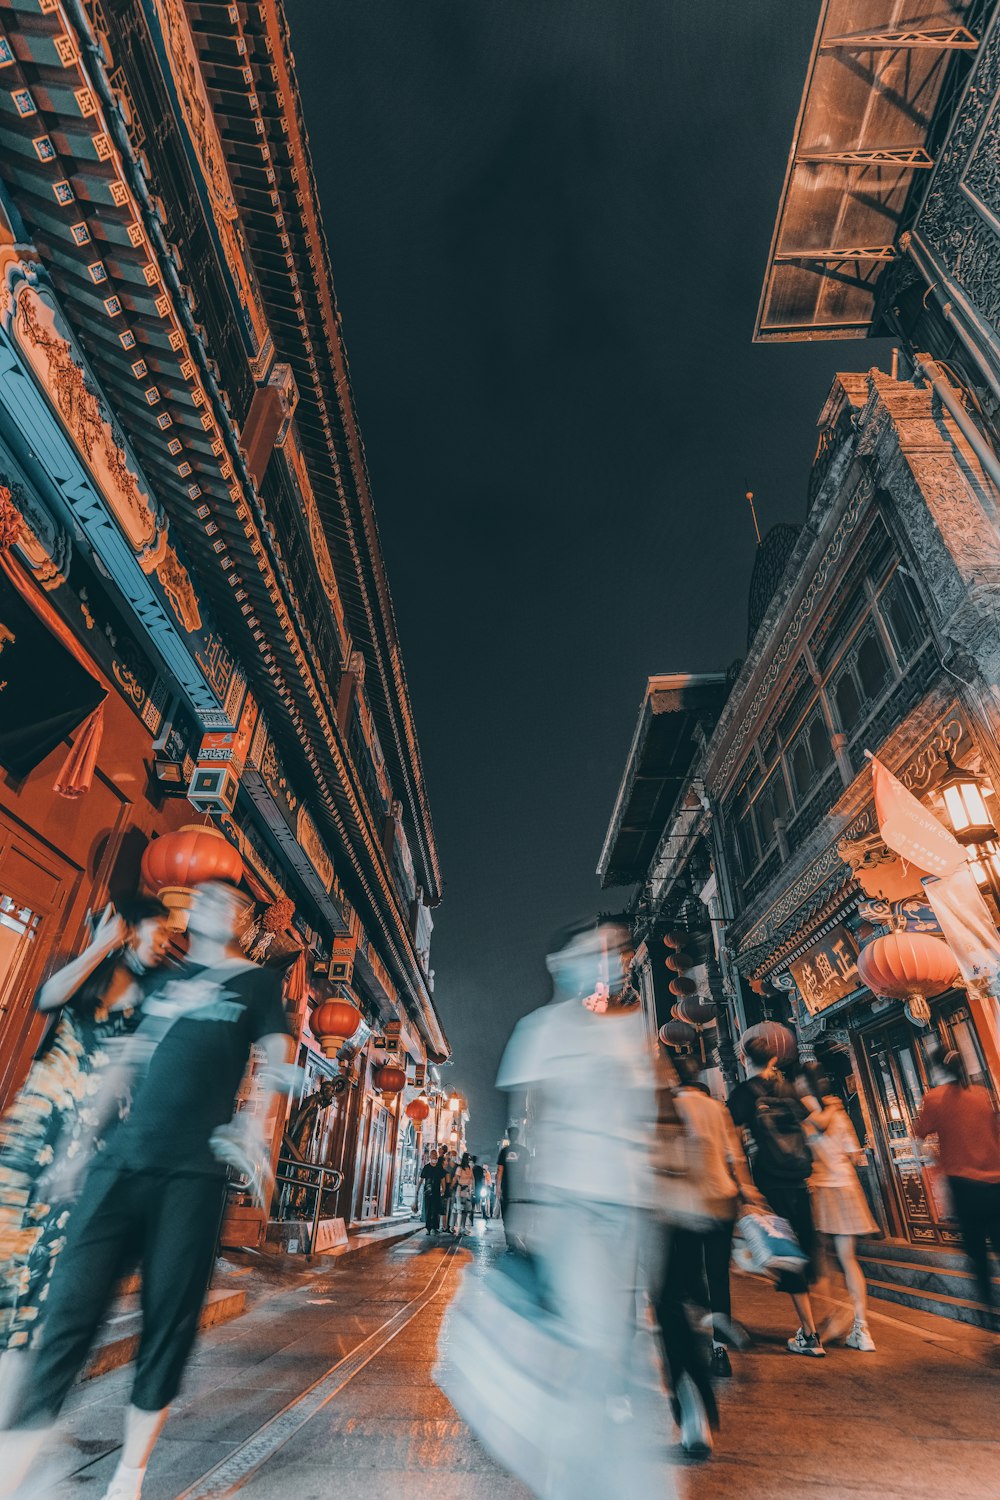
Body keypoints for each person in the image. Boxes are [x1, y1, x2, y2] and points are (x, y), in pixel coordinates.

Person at [0, 880, 298, 1500]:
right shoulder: (161, 979)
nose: (214, 906)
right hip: (119, 1166)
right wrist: (82, 1150)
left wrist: (254, 1121)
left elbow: (274, 1055)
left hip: (192, 1176)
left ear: (244, 922)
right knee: (68, 1314)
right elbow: (123, 1065)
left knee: (168, 1321)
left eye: (231, 902)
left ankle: (128, 1478)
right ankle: (11, 1471)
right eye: (206, 898)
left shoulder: (256, 984)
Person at [0, 896, 170, 1418]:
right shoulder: (91, 976)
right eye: (157, 933)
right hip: (36, 1128)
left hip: (84, 1143)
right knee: (9, 1251)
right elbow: (47, 996)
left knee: (45, 1270)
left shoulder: (150, 1000)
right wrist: (99, 946)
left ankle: (13, 1399)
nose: (163, 944)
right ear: (129, 931)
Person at [657, 1052, 765, 1388]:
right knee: (719, 1275)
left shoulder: (671, 1107)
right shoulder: (718, 1109)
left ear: (675, 1077)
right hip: (722, 1199)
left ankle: (702, 1328)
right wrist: (748, 1191)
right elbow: (736, 1157)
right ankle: (720, 1346)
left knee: (689, 1277)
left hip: (688, 1204)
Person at [727, 1031, 824, 1357]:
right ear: (773, 1059)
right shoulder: (788, 1089)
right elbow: (812, 1127)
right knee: (796, 1250)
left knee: (783, 1252)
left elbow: (735, 1144)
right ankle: (814, 1325)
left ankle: (810, 1335)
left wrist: (745, 1186)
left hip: (769, 1184)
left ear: (743, 1060)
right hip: (799, 1179)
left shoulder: (742, 1095)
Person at [796, 1062, 878, 1351]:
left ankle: (828, 1320)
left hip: (821, 1189)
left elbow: (806, 1143)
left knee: (824, 1263)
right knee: (848, 1260)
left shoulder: (805, 1114)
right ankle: (862, 1329)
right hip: (847, 1187)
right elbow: (855, 1156)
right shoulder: (839, 1113)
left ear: (805, 1084)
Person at [914, 1047, 1000, 1320]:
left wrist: (934, 1156)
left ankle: (990, 1310)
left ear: (937, 1069)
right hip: (996, 1181)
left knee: (976, 1249)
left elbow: (918, 1137)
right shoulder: (982, 1095)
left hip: (963, 1184)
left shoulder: (935, 1099)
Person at [495, 1125, 524, 1247]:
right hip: (520, 1190)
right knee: (518, 1214)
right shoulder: (524, 1151)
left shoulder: (504, 1151)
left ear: (509, 1136)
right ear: (518, 1136)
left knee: (506, 1217)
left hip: (507, 1190)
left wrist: (498, 1188)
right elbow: (527, 1172)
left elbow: (500, 1171)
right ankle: (517, 1237)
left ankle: (510, 1243)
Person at [419, 1148, 446, 1234]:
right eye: (433, 1156)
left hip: (436, 1191)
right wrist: (417, 1189)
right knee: (428, 1209)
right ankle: (428, 1228)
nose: (435, 1158)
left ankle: (434, 1227)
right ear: (430, 1157)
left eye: (436, 1156)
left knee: (435, 1209)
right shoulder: (426, 1167)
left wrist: (443, 1188)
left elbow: (442, 1179)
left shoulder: (439, 1167)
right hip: (427, 1192)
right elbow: (421, 1179)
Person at [456, 1152, 475, 1235]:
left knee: (466, 1210)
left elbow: (472, 1179)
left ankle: (463, 1227)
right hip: (460, 1190)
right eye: (468, 1159)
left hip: (467, 1190)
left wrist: (471, 1189)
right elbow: (456, 1178)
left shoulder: (470, 1168)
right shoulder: (460, 1168)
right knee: (461, 1209)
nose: (468, 1160)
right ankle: (460, 1228)